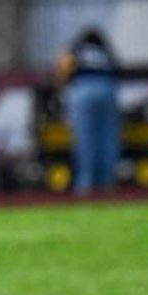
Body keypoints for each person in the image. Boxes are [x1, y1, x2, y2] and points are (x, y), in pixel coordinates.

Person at [56, 26, 121, 193]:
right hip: (107, 87)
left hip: (83, 89)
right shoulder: (103, 49)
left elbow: (64, 70)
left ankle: (86, 183)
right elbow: (117, 68)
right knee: (108, 138)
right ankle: (108, 182)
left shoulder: (76, 48)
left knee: (85, 139)